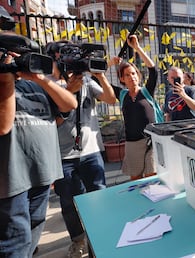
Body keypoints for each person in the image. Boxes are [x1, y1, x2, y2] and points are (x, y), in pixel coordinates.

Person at [0, 33, 78, 258]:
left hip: (41, 176)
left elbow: (69, 104)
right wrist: (6, 75)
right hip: (12, 182)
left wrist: (39, 78)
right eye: (14, 55)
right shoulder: (3, 84)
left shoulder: (36, 84)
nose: (20, 59)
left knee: (31, 238)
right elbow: (4, 126)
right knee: (14, 244)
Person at [45, 40, 117, 257]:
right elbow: (51, 122)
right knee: (68, 203)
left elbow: (111, 99)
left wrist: (100, 75)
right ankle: (78, 240)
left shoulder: (87, 81)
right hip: (63, 155)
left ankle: (100, 239)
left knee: (98, 197)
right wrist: (68, 91)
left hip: (91, 152)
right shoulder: (47, 84)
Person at [111, 35, 158, 181]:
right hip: (132, 143)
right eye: (127, 75)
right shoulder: (122, 94)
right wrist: (109, 63)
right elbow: (96, 81)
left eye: (133, 73)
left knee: (152, 177)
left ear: (138, 75)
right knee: (136, 179)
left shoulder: (146, 91)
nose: (132, 77)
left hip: (151, 141)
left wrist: (137, 48)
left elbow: (153, 71)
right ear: (122, 79)